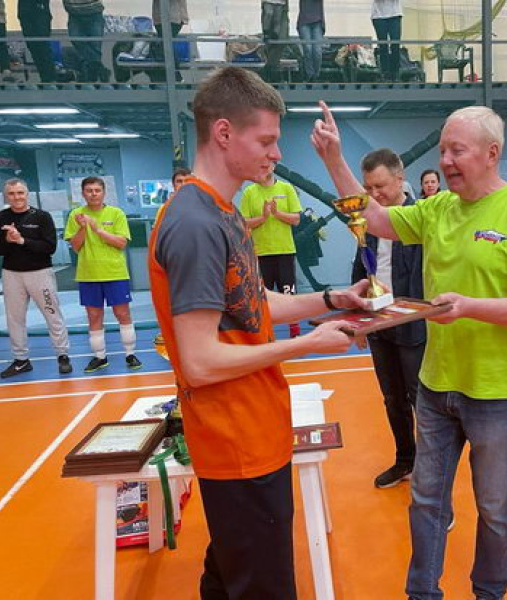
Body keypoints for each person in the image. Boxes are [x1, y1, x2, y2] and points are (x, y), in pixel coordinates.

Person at [312, 101, 507, 600]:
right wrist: (334, 160)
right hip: (435, 386)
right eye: (443, 150)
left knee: (494, 510)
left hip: (494, 392)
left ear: (491, 153)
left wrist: (468, 307)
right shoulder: (437, 208)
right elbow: (374, 218)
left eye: (457, 151)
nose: (445, 161)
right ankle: (422, 593)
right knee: (426, 502)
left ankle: (488, 593)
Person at [148, 66, 369, 599]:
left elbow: (252, 302)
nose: (276, 153)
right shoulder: (195, 223)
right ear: (224, 133)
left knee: (230, 577)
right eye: (266, 140)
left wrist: (331, 299)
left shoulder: (223, 212)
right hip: (235, 442)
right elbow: (200, 360)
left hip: (255, 432)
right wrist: (308, 343)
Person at [351, 148, 425, 489]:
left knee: (421, 399)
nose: (374, 194)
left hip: (413, 325)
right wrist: (358, 321)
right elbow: (360, 270)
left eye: (380, 186)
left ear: (400, 178)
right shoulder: (367, 221)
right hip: (378, 324)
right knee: (392, 398)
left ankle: (429, 470)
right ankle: (405, 461)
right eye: (368, 188)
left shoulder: (422, 218)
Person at [64, 176, 141, 373]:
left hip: (115, 272)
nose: (93, 194)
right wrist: (83, 227)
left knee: (122, 313)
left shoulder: (116, 213)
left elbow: (121, 243)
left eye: (97, 190)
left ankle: (130, 354)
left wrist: (97, 229)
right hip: (88, 274)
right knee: (93, 315)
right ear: (83, 193)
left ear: (104, 193)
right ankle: (100, 357)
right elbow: (76, 247)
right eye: (89, 190)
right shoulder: (76, 214)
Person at [0, 179, 71, 377]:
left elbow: (50, 247)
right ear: (6, 196)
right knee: (14, 318)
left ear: (27, 194)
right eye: (12, 193)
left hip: (40, 273)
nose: (16, 197)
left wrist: (22, 240)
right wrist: (7, 240)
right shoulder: (1, 217)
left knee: (52, 313)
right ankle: (21, 360)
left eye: (20, 192)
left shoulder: (42, 217)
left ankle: (62, 355)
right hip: (12, 274)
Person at [240, 164, 303, 338]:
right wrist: (263, 217)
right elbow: (244, 223)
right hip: (260, 253)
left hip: (284, 251)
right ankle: (265, 333)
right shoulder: (249, 192)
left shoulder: (286, 188)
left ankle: (295, 332)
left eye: (268, 165)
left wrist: (277, 213)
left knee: (289, 293)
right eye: (261, 166)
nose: (265, 168)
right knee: (262, 297)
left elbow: (296, 219)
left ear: (274, 167)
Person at [63, 0, 110, 82]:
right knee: (76, 39)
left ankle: (91, 78)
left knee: (95, 46)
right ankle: (100, 69)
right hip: (74, 13)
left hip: (94, 12)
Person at [150, 0, 189, 83]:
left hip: (171, 17)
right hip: (163, 17)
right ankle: (174, 76)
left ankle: (175, 76)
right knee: (165, 46)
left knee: (165, 46)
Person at [18, 0, 56, 83]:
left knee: (43, 45)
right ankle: (45, 78)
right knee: (32, 46)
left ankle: (50, 78)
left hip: (40, 10)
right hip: (25, 12)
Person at [372, 0, 402, 81]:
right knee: (383, 45)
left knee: (395, 45)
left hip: (395, 15)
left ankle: (395, 73)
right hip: (378, 16)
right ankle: (385, 73)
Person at [261, 0, 288, 82]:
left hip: (281, 6)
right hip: (270, 4)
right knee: (271, 40)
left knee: (280, 40)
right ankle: (270, 69)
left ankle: (271, 68)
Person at [297, 0, 324, 82]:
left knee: (317, 51)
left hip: (318, 21)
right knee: (308, 49)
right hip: (304, 21)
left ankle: (316, 75)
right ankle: (310, 76)